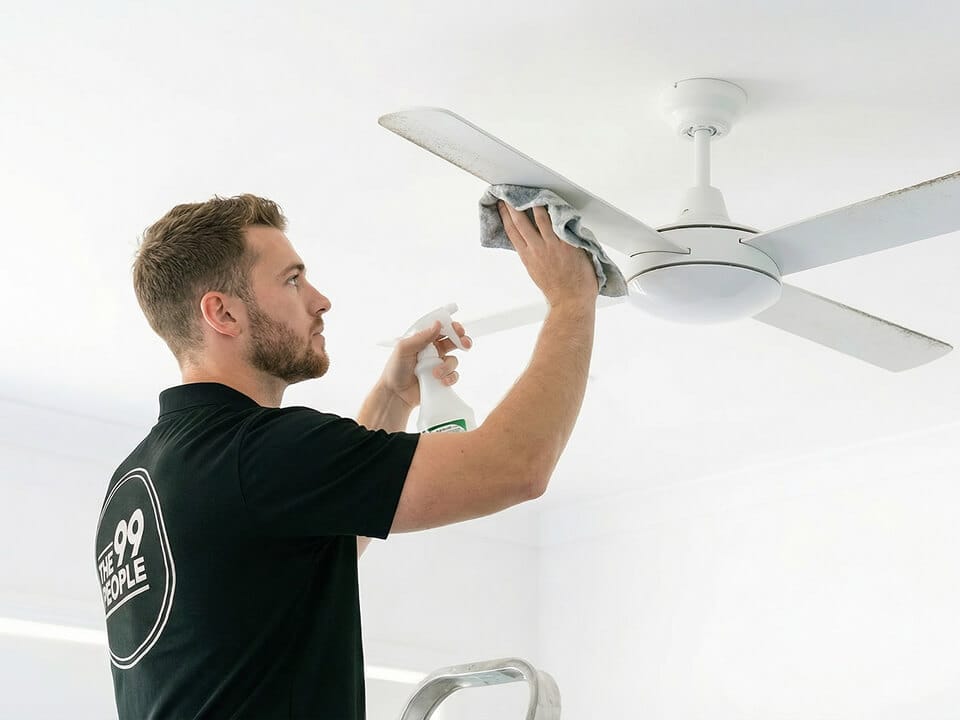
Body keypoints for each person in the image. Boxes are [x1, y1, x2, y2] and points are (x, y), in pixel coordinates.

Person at [94, 193, 598, 719]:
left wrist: (393, 396)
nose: (320, 300)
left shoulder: (138, 479)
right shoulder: (260, 450)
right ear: (222, 312)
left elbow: (305, 546)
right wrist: (571, 300)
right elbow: (512, 467)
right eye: (292, 280)